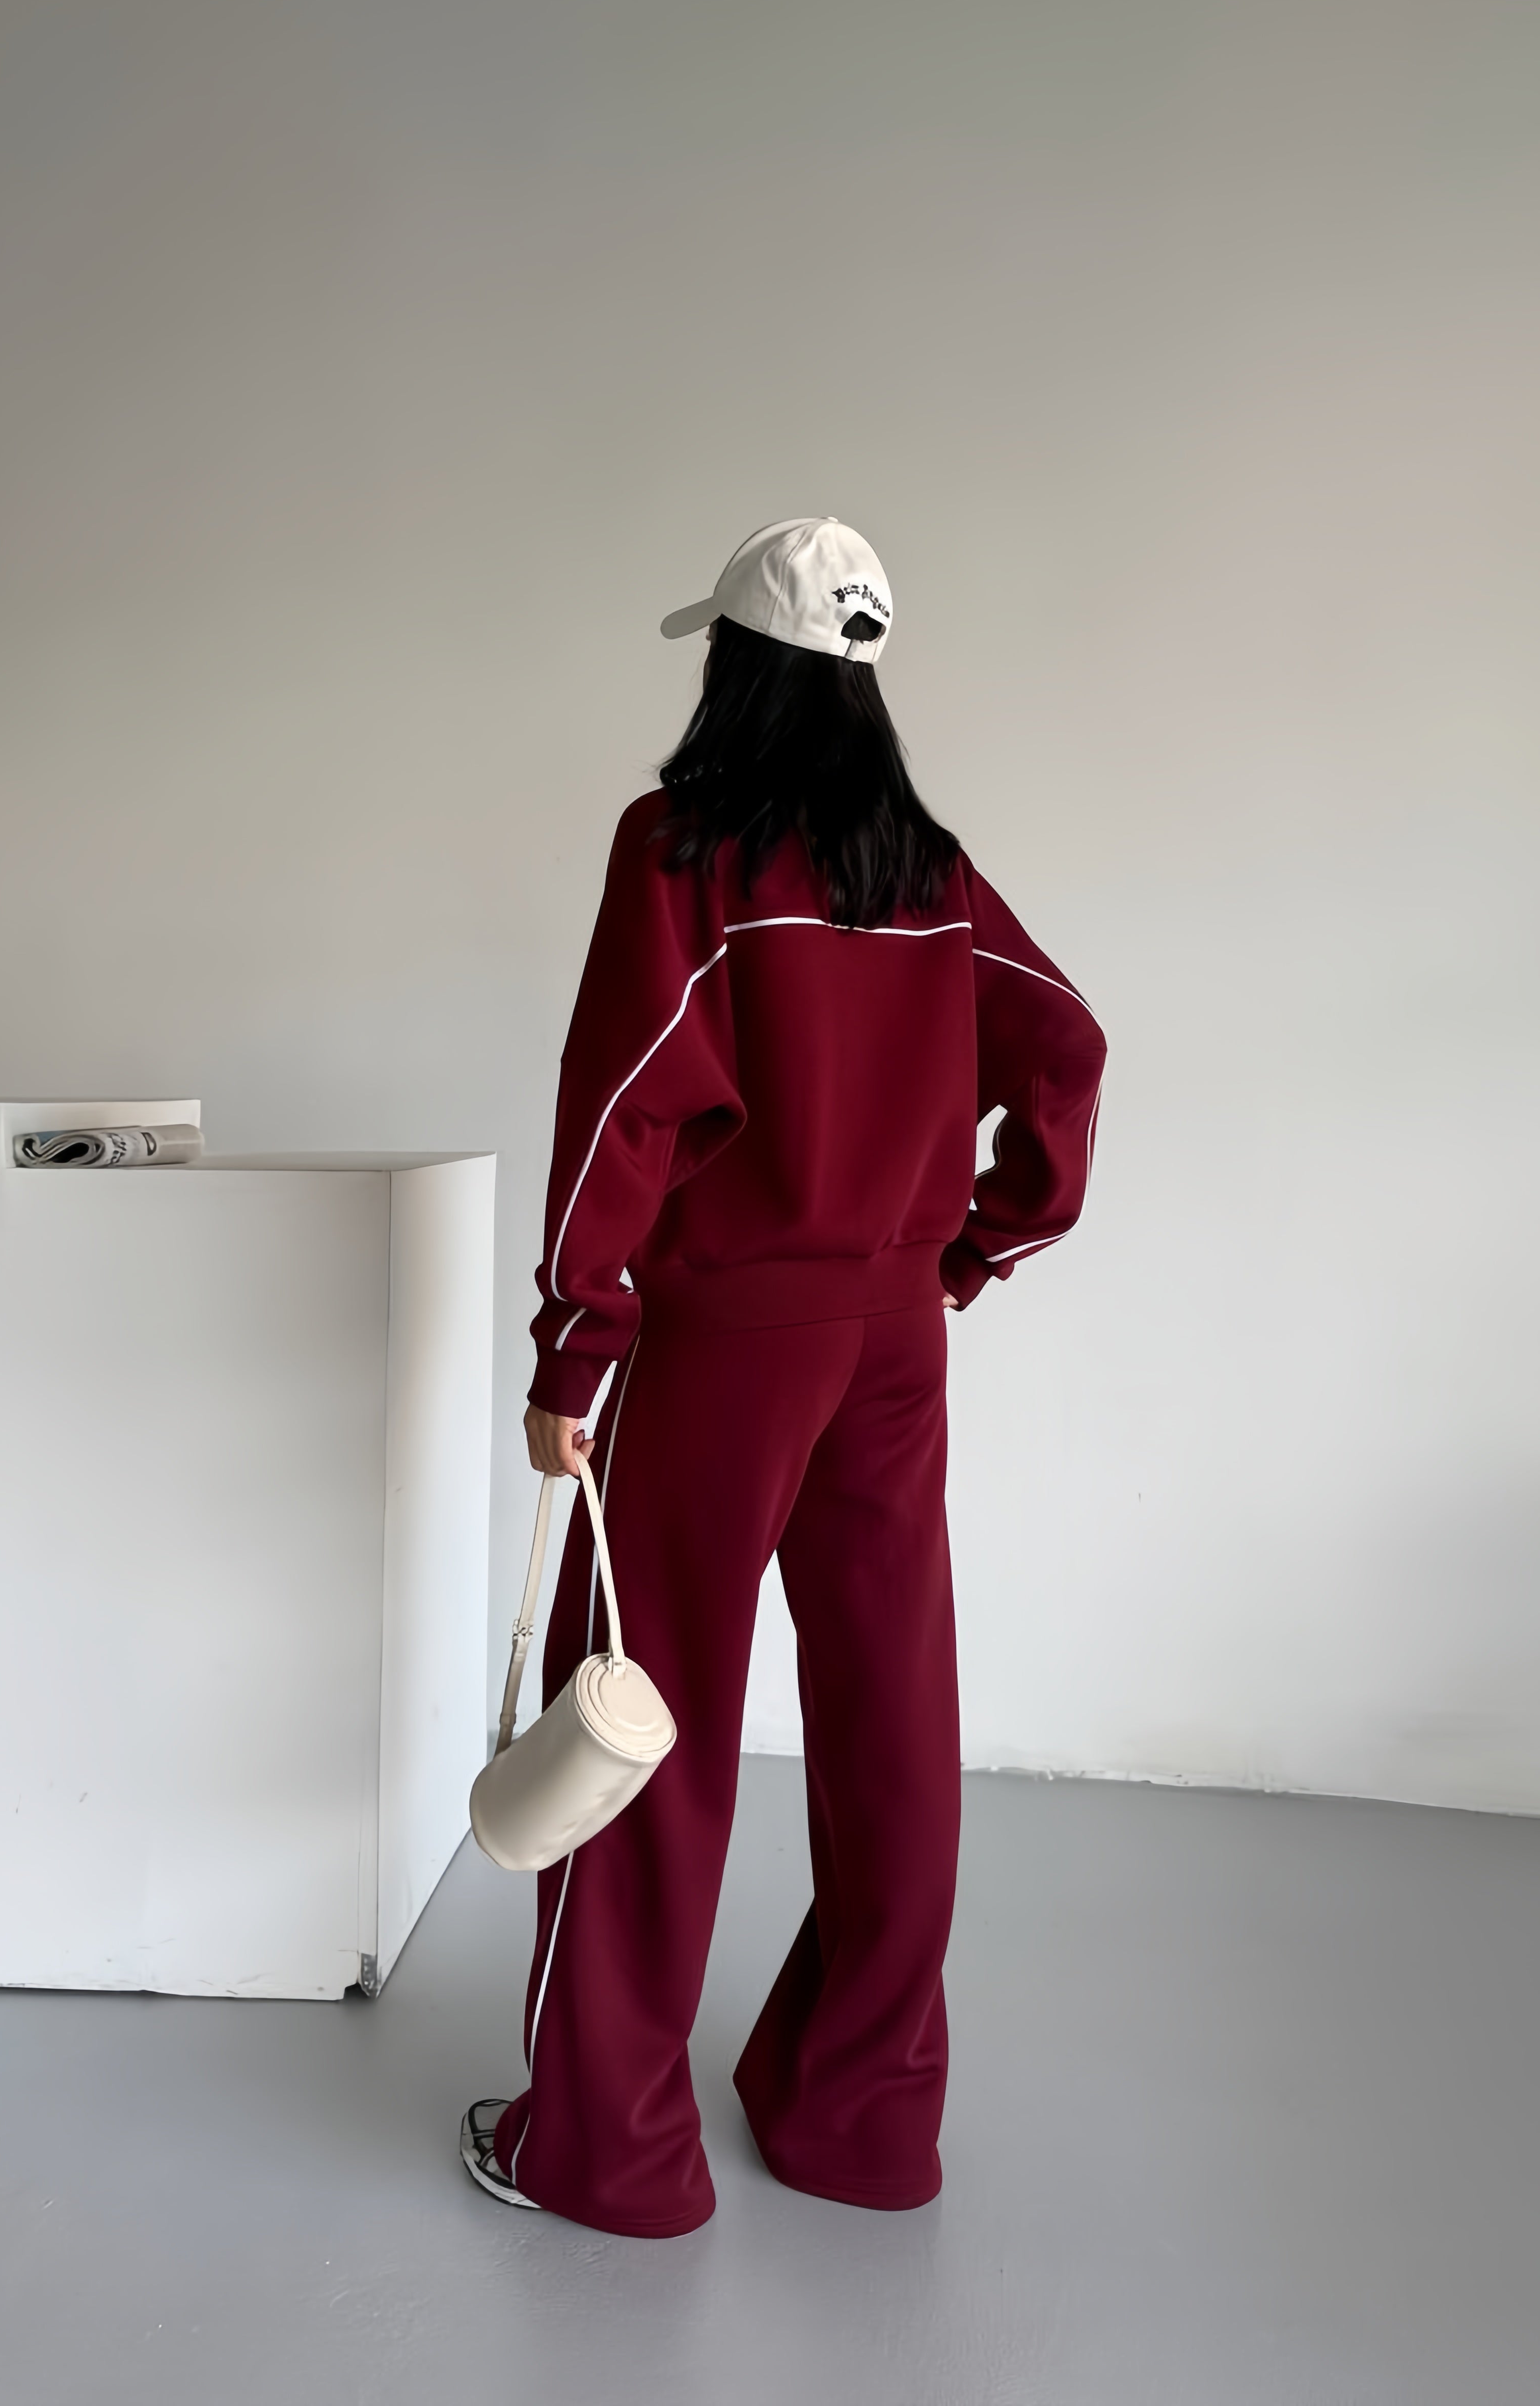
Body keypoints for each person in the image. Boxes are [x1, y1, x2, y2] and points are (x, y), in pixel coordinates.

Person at [461, 517, 1105, 2237]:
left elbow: (628, 1098)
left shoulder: (685, 850)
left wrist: (574, 1341)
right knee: (893, 1716)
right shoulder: (928, 870)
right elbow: (1069, 1045)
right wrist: (972, 1246)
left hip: (729, 1346)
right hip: (894, 1344)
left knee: (643, 1714)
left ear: (737, 667)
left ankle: (606, 2149)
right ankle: (862, 2121)